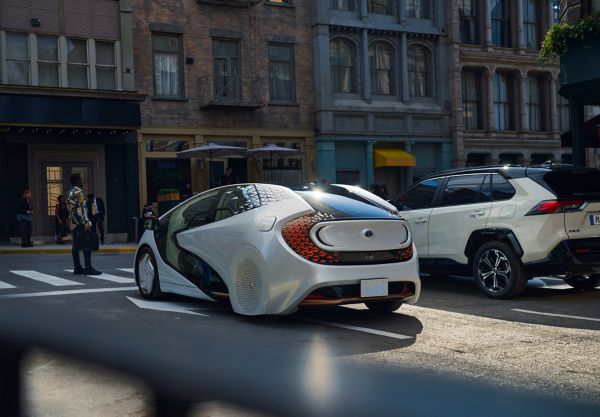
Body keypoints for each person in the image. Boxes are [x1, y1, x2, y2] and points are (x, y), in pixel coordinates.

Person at [68, 173, 101, 275]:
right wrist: (86, 222)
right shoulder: (78, 192)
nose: (82, 182)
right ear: (77, 181)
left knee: (76, 246)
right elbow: (81, 208)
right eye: (81, 180)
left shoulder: (70, 192)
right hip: (80, 223)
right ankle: (88, 267)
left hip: (73, 223)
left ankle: (77, 267)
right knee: (87, 244)